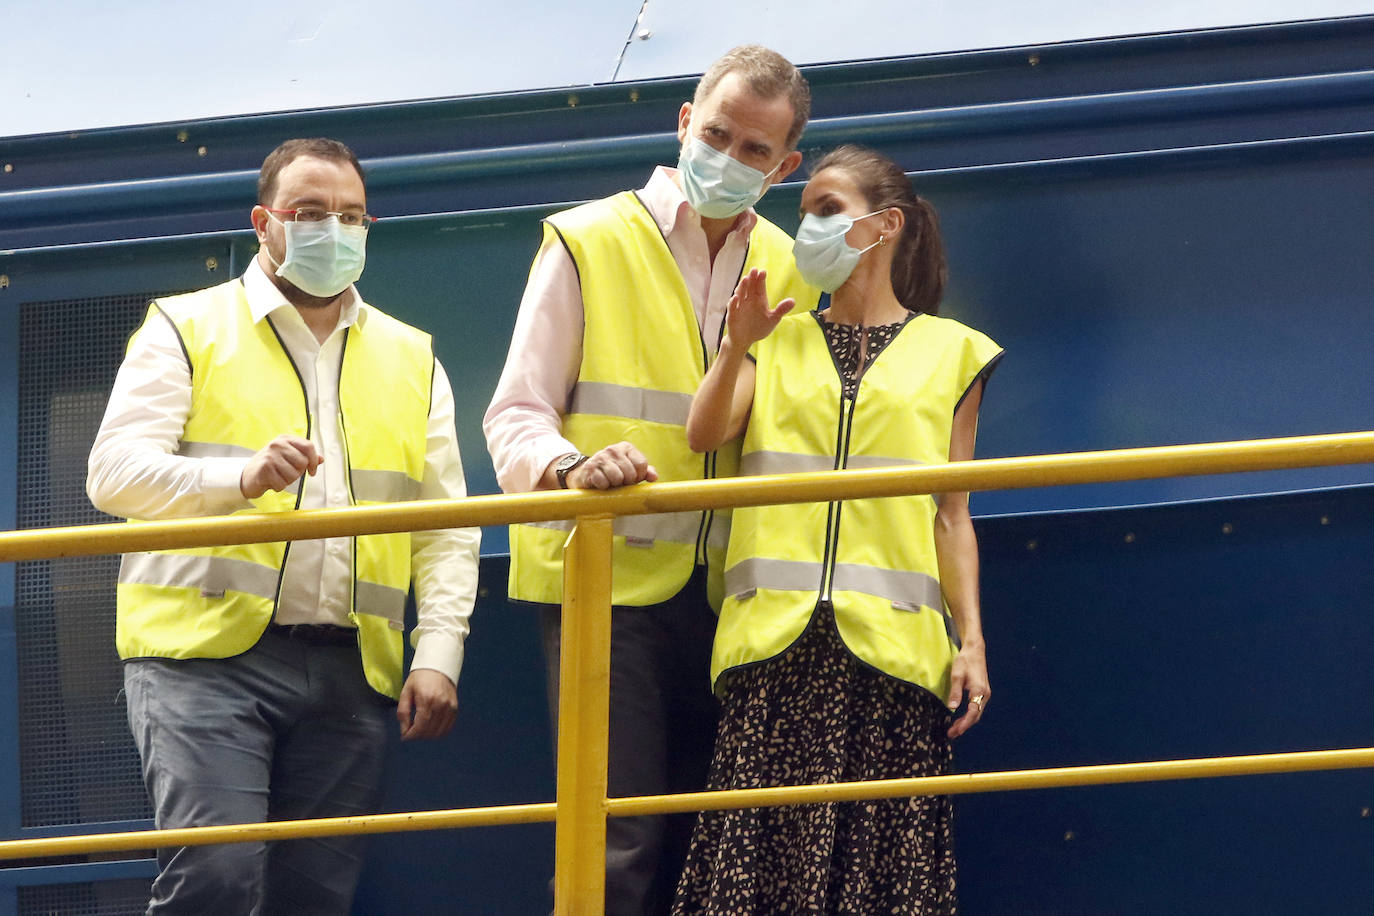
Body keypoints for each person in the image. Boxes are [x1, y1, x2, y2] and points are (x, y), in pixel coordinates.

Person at [86, 137, 481, 915]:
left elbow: (446, 527)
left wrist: (438, 654)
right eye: (309, 213)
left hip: (350, 667)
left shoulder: (412, 357)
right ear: (264, 222)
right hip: (201, 659)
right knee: (217, 880)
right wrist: (238, 477)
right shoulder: (186, 327)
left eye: (351, 215)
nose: (332, 230)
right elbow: (112, 476)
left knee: (314, 897)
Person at [483, 45, 820, 915]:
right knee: (613, 847)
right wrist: (570, 467)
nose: (729, 158)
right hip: (605, 589)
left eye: (755, 150)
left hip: (739, 604)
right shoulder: (587, 239)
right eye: (717, 134)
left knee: (717, 852)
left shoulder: (792, 268)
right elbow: (515, 414)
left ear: (784, 168)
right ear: (683, 124)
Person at [672, 144, 1003, 914]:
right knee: (757, 878)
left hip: (891, 661)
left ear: (885, 226)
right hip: (773, 653)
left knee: (878, 880)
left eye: (826, 210)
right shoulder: (778, 337)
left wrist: (973, 643)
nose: (807, 228)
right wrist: (737, 344)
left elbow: (953, 515)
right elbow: (704, 431)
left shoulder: (955, 354)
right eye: (804, 213)